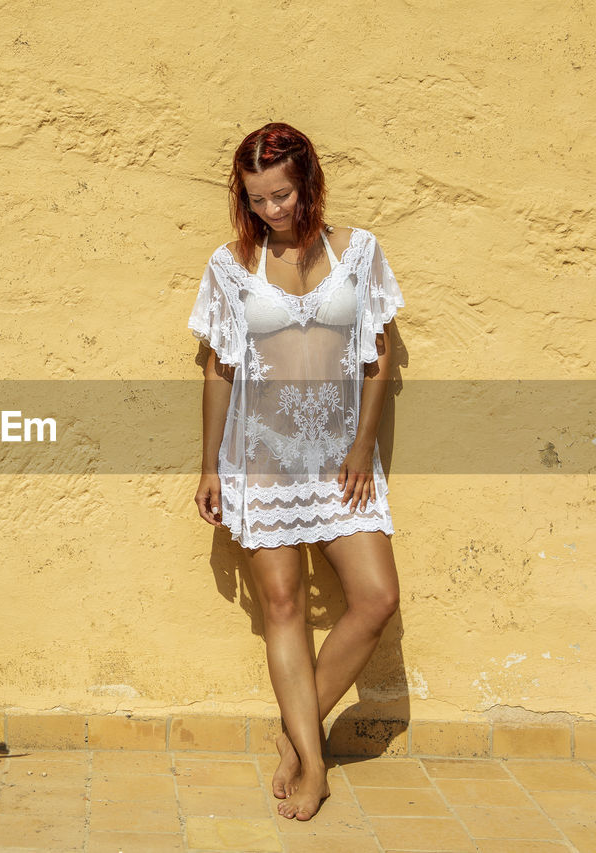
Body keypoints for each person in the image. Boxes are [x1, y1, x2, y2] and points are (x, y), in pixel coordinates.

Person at [189, 122, 404, 821]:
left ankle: (293, 730)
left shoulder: (359, 253)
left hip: (341, 460)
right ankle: (313, 763)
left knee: (375, 598)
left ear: (307, 181)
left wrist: (361, 446)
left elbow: (379, 359)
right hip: (261, 462)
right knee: (282, 605)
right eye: (256, 200)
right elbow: (221, 369)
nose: (271, 211)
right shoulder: (230, 267)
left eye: (281, 194)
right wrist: (210, 466)